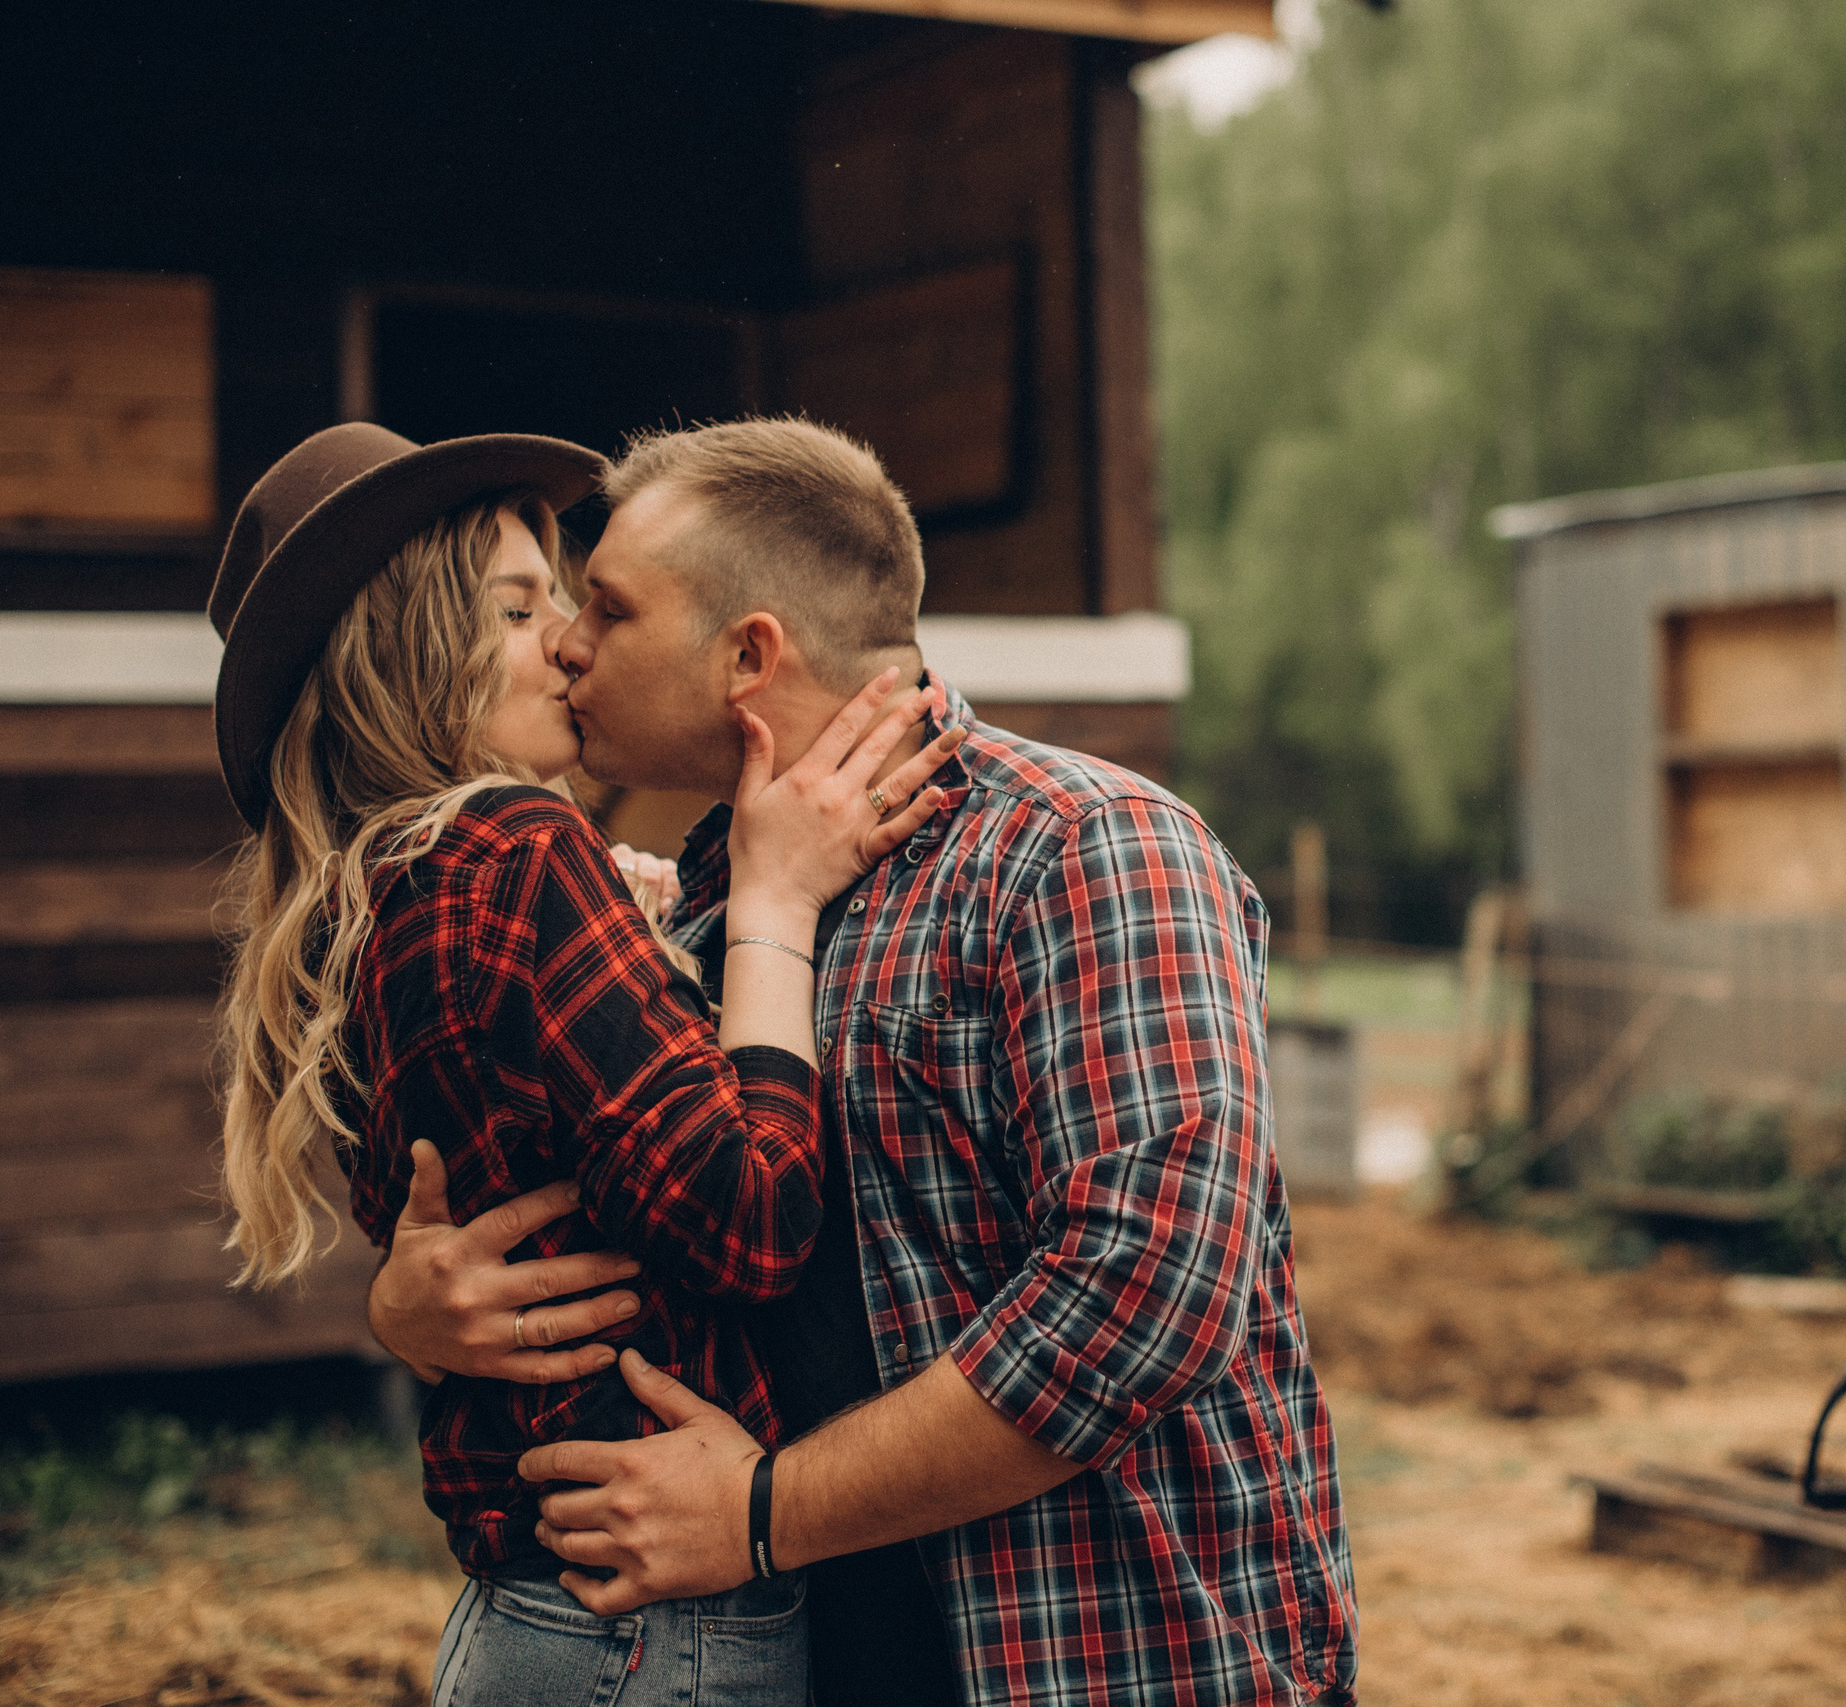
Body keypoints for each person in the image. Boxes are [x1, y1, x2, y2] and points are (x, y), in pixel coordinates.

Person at [366, 418, 1358, 1706]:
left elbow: (1146, 1293)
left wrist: (765, 1511)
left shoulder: (1086, 850)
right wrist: (416, 1315)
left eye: (604, 607)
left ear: (747, 656)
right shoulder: (705, 908)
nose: (564, 642)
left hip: (1104, 1658)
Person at [208, 422, 960, 1707]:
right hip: (644, 1621)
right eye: (520, 607)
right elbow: (752, 1219)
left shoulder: (377, 898)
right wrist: (770, 907)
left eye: (570, 600)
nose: (562, 638)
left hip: (541, 1609)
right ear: (412, 655)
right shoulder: (513, 856)